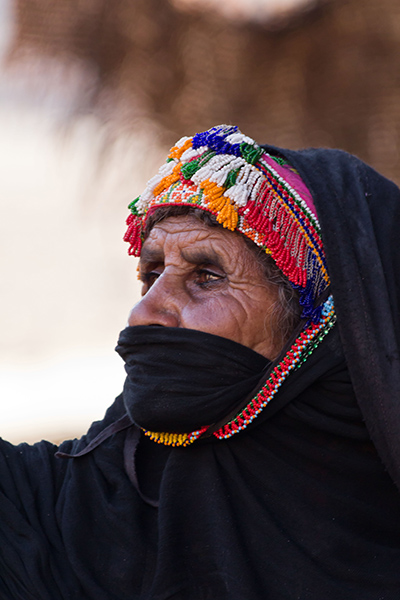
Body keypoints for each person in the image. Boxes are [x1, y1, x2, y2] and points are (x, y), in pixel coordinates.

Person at [1, 124, 400, 599]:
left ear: (325, 322)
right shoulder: (67, 507)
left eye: (207, 276)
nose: (143, 312)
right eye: (151, 274)